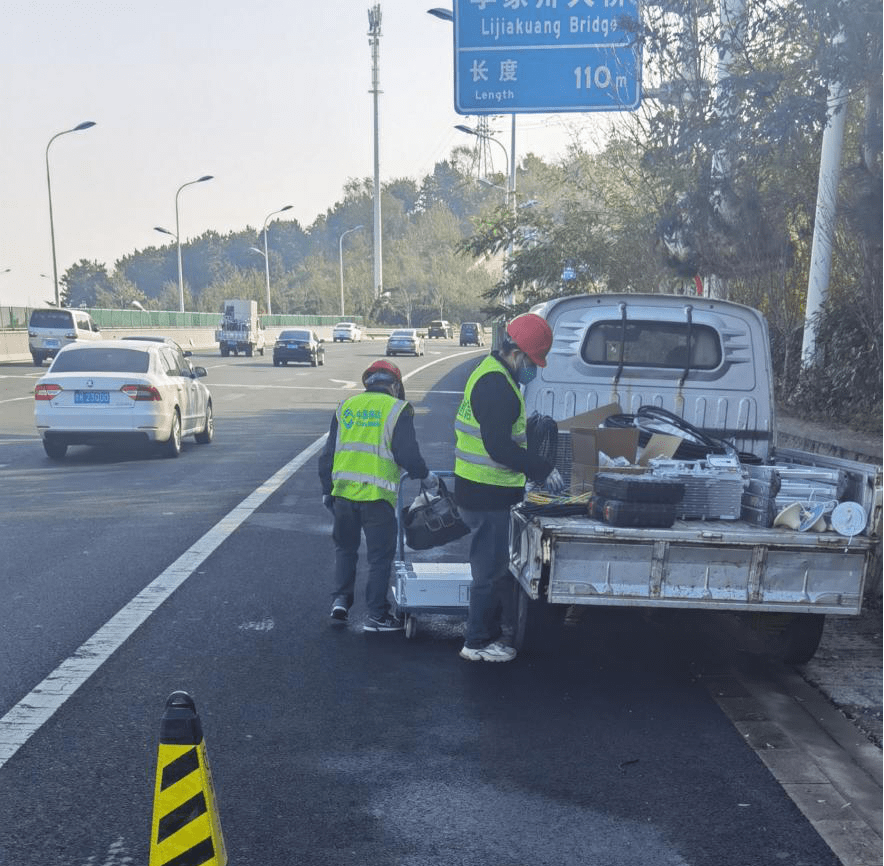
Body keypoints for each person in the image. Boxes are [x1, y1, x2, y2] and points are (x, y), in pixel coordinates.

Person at [453, 313, 565, 662]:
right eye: (533, 362)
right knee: (489, 571)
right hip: (486, 493)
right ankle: (476, 642)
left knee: (493, 567)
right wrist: (541, 468)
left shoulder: (491, 372)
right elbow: (498, 447)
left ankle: (487, 635)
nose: (533, 370)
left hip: (481, 489)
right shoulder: (498, 386)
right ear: (517, 354)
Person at [319, 359, 438, 632]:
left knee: (345, 550)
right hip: (377, 498)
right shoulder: (397, 410)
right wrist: (426, 476)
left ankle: (340, 602)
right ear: (395, 385)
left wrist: (328, 491)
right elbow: (407, 454)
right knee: (379, 558)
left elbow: (327, 455)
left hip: (344, 496)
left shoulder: (346, 407)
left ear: (368, 382)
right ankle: (377, 615)